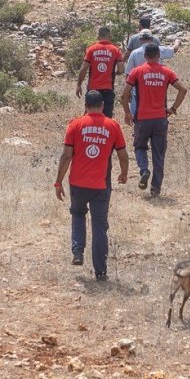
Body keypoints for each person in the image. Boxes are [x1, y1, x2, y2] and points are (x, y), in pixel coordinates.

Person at [55, 90, 129, 280]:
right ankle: (101, 271)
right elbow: (122, 154)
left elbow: (66, 156)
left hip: (77, 183)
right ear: (102, 106)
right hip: (100, 185)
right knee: (99, 227)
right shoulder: (113, 126)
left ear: (85, 106)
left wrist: (58, 181)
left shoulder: (75, 125)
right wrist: (124, 173)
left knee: (78, 213)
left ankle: (78, 251)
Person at [121, 44, 188, 198]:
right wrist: (173, 109)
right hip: (160, 119)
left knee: (139, 147)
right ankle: (155, 190)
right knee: (159, 154)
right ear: (159, 55)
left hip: (142, 119)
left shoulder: (137, 71)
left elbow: (124, 95)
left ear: (145, 56)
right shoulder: (166, 71)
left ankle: (144, 170)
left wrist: (127, 113)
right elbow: (183, 90)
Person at [124, 30, 181, 117]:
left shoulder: (135, 53)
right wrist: (177, 42)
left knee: (137, 115)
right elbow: (174, 49)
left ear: (140, 39)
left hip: (139, 91)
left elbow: (128, 74)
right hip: (158, 86)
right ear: (152, 38)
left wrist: (128, 92)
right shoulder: (160, 50)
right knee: (159, 112)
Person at [76, 26, 124, 117]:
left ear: (98, 37)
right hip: (108, 89)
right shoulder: (116, 50)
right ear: (110, 36)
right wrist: (116, 73)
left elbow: (83, 68)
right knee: (107, 117)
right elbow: (121, 69)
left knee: (90, 116)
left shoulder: (91, 49)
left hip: (93, 89)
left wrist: (79, 85)